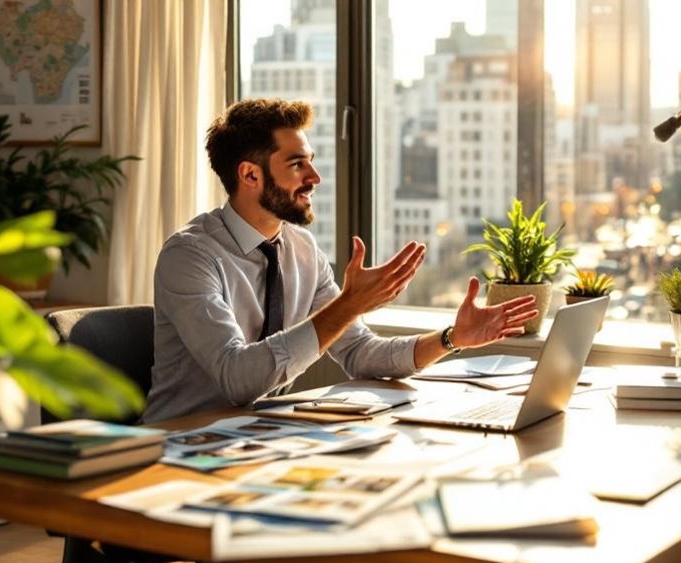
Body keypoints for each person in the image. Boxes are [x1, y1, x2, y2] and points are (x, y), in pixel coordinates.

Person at [144, 98, 537, 423]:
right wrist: (349, 304)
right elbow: (237, 379)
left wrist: (450, 339)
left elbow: (360, 353)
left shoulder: (302, 249)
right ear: (250, 175)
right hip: (179, 443)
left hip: (258, 440)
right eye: (297, 164)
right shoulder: (190, 256)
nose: (314, 176)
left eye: (311, 161)